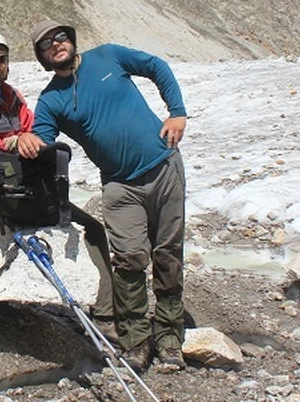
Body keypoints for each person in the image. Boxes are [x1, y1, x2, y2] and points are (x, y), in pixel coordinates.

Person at [29, 20, 188, 374]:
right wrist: (23, 141)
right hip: (118, 185)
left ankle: (170, 337)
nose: (56, 44)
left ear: (71, 39)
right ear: (42, 57)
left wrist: (177, 112)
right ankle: (135, 340)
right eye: (46, 45)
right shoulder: (50, 99)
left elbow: (156, 67)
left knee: (168, 254)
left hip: (164, 165)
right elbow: (41, 138)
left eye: (60, 37)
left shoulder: (109, 56)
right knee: (129, 261)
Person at [0, 31, 117, 338]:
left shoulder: (11, 96)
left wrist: (33, 141)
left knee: (91, 226)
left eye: (2, 59)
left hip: (17, 187)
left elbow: (34, 129)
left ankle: (107, 307)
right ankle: (107, 315)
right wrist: (11, 142)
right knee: (91, 228)